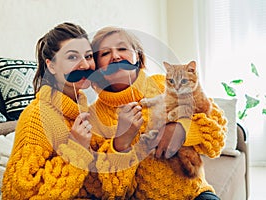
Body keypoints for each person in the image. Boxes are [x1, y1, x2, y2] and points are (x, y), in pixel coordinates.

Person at [88, 26, 227, 199]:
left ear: (137, 57)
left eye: (122, 48)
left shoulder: (165, 83)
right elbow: (113, 191)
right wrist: (121, 143)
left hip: (194, 194)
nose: (116, 56)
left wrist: (183, 129)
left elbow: (218, 132)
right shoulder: (93, 117)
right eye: (105, 53)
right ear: (97, 67)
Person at [2, 22, 100, 199]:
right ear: (51, 66)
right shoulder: (37, 118)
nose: (85, 65)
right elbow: (16, 194)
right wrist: (76, 148)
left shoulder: (87, 112)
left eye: (88, 56)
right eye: (72, 57)